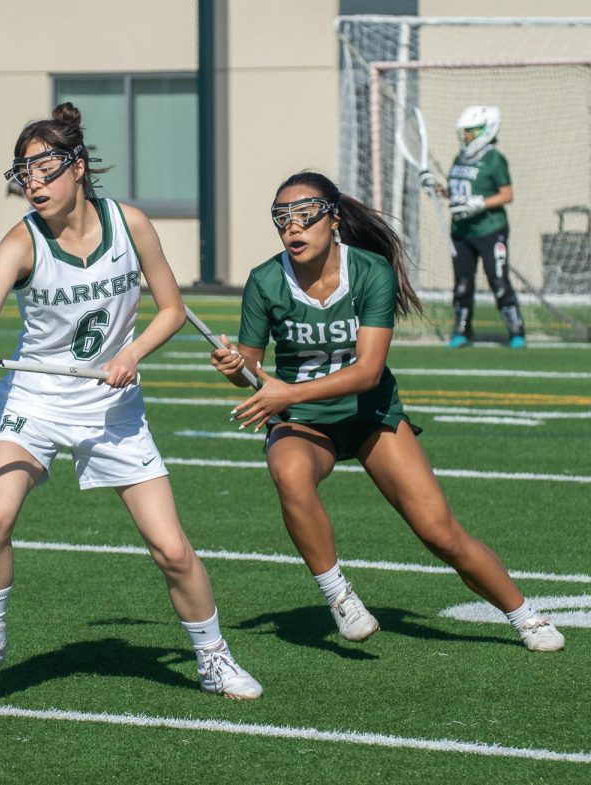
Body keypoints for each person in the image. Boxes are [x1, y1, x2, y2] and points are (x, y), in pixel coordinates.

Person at [0, 103, 263, 701]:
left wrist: (132, 353)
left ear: (78, 166)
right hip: (36, 400)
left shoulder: (130, 224)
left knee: (170, 547)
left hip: (112, 408)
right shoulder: (19, 242)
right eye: (22, 172)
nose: (32, 181)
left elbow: (170, 309)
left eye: (44, 167)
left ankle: (213, 655)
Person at [209, 170, 563, 653]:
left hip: (369, 412)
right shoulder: (265, 281)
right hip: (305, 422)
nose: (292, 228)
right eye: (281, 218)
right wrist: (234, 366)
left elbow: (368, 372)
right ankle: (340, 597)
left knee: (441, 534)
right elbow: (250, 367)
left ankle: (525, 615)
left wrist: (286, 394)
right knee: (288, 472)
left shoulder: (370, 271)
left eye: (304, 215)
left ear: (332, 219)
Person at [443, 106, 525, 349]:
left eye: (471, 131)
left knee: (498, 281)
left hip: (490, 230)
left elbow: (507, 194)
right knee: (462, 283)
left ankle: (516, 331)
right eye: (465, 131)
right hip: (461, 231)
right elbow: (459, 193)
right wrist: (439, 190)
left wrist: (479, 204)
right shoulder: (460, 157)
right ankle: (462, 331)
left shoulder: (494, 158)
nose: (466, 136)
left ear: (484, 130)